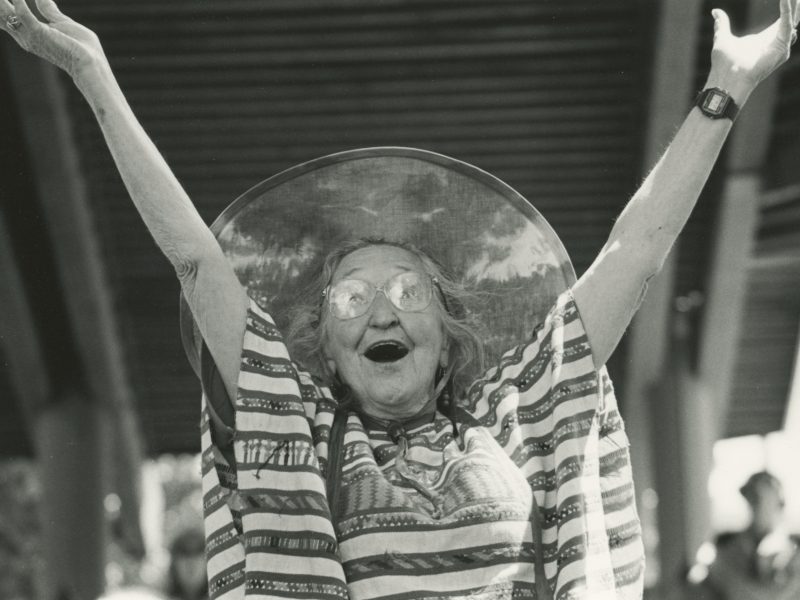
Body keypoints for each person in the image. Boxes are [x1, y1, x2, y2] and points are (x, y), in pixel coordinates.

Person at [3, 0, 798, 598]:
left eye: (407, 288)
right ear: (326, 345)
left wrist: (723, 91)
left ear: (447, 335)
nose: (380, 308)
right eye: (350, 295)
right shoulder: (298, 423)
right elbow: (195, 262)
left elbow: (639, 250)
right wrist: (91, 72)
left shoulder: (521, 409)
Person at [688, 472, 800, 600]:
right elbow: (698, 585)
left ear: (779, 503)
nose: (759, 507)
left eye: (765, 500)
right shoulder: (726, 547)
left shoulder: (794, 552)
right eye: (753, 499)